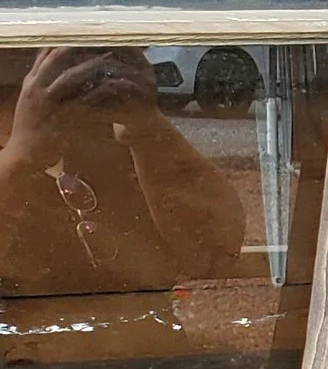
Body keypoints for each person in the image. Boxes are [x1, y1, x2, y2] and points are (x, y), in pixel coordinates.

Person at [0, 46, 247, 294]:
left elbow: (213, 257)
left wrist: (146, 129)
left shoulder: (118, 136)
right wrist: (20, 156)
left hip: (141, 318)